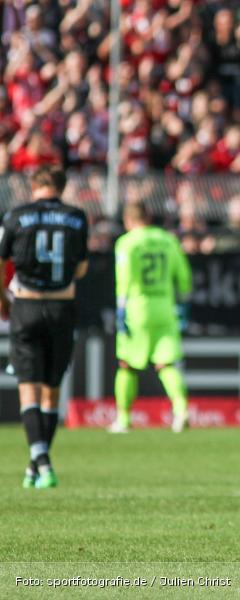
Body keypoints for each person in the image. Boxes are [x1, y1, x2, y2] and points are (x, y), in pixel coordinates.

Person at [0, 165, 89, 489]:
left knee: (29, 387)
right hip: (62, 306)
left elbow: (0, 261)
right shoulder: (77, 217)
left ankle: (40, 461)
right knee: (51, 391)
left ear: (34, 185)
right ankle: (37, 465)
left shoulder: (15, 215)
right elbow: (80, 268)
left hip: (26, 304)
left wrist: (3, 301)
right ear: (61, 188)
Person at [108, 200, 192, 434]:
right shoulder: (168, 240)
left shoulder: (126, 243)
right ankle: (181, 410)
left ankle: (123, 419)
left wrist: (121, 308)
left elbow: (123, 276)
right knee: (166, 363)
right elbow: (184, 276)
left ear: (128, 220)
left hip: (137, 307)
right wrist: (183, 305)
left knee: (126, 364)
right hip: (165, 306)